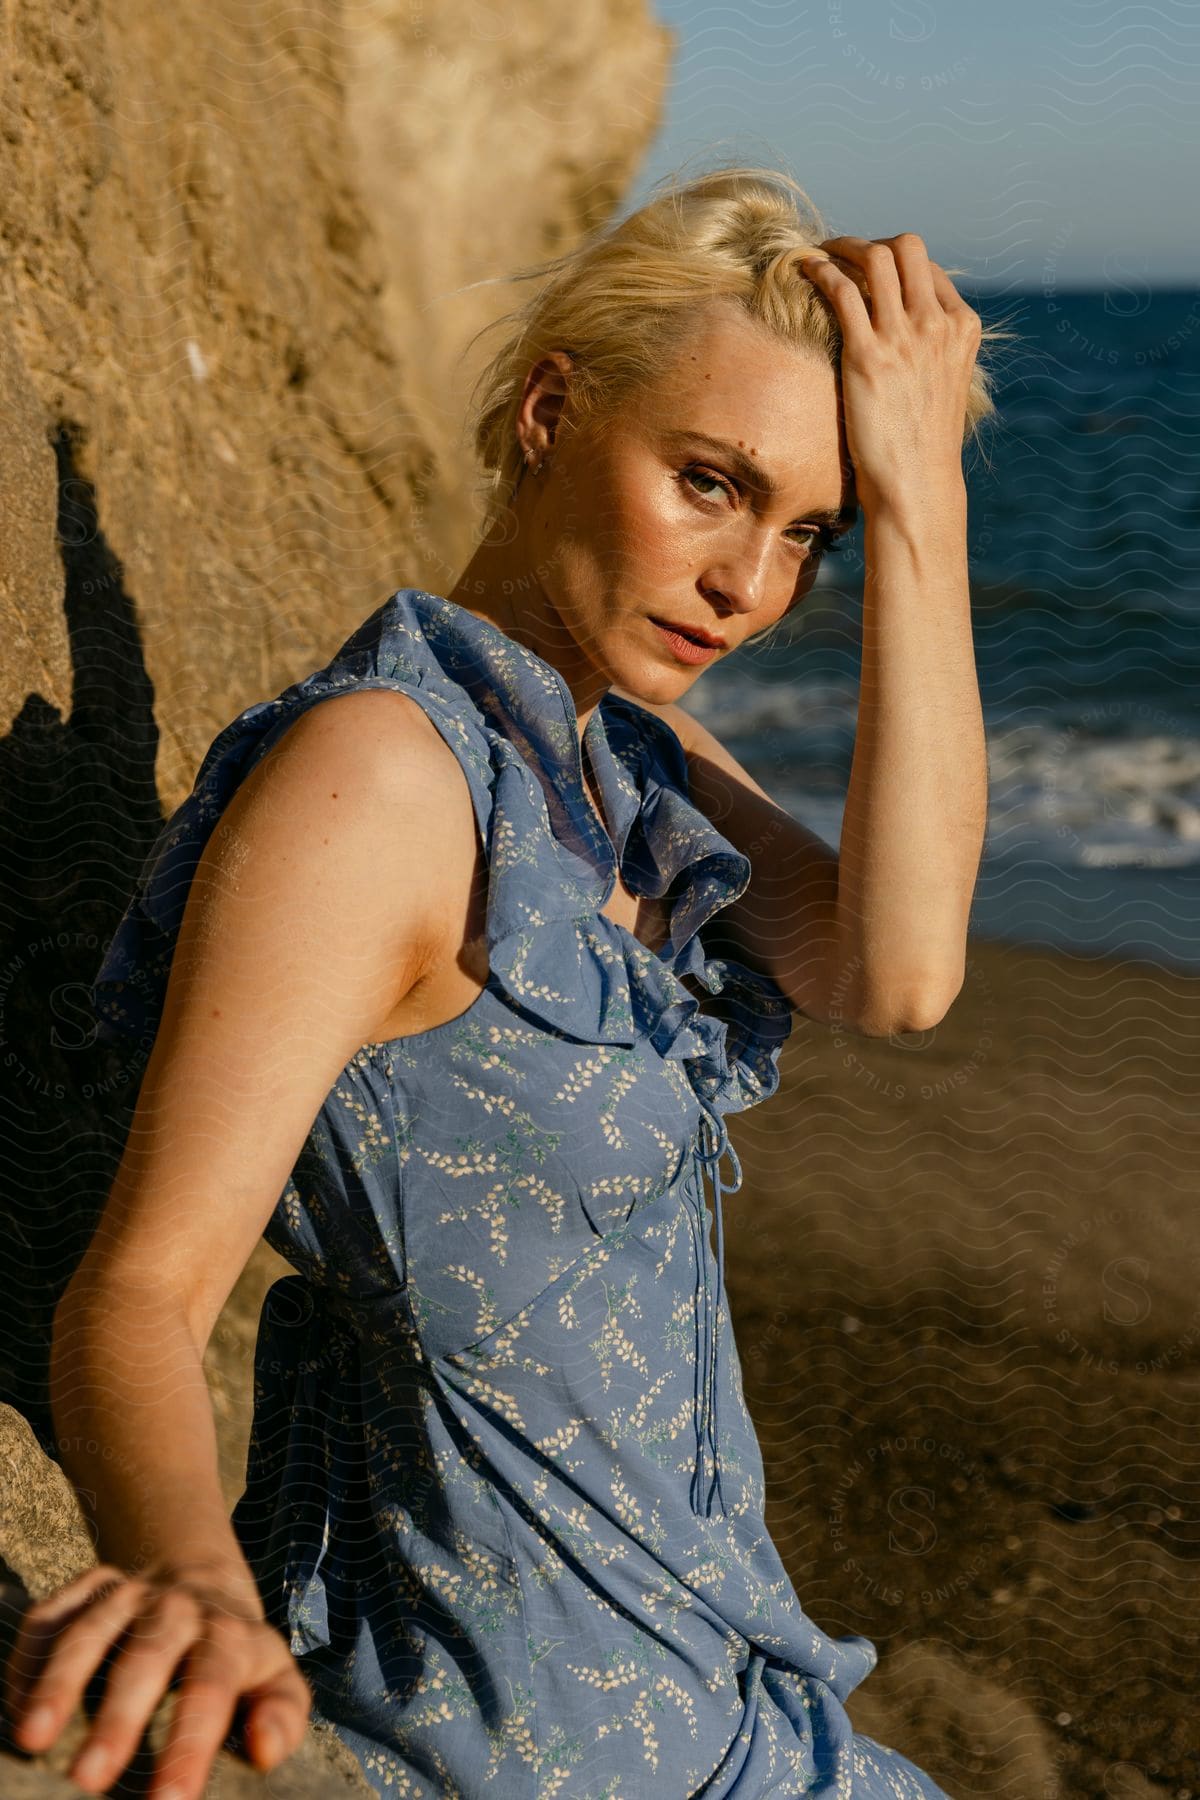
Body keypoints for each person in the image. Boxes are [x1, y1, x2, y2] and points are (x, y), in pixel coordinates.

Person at [4, 165, 1003, 1799]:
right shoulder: (379, 782)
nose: (749, 586)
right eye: (707, 483)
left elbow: (898, 971)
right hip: (508, 1751)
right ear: (550, 410)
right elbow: (133, 1296)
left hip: (746, 1719)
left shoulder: (631, 759)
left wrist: (924, 514)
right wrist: (192, 1584)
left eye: (810, 532)